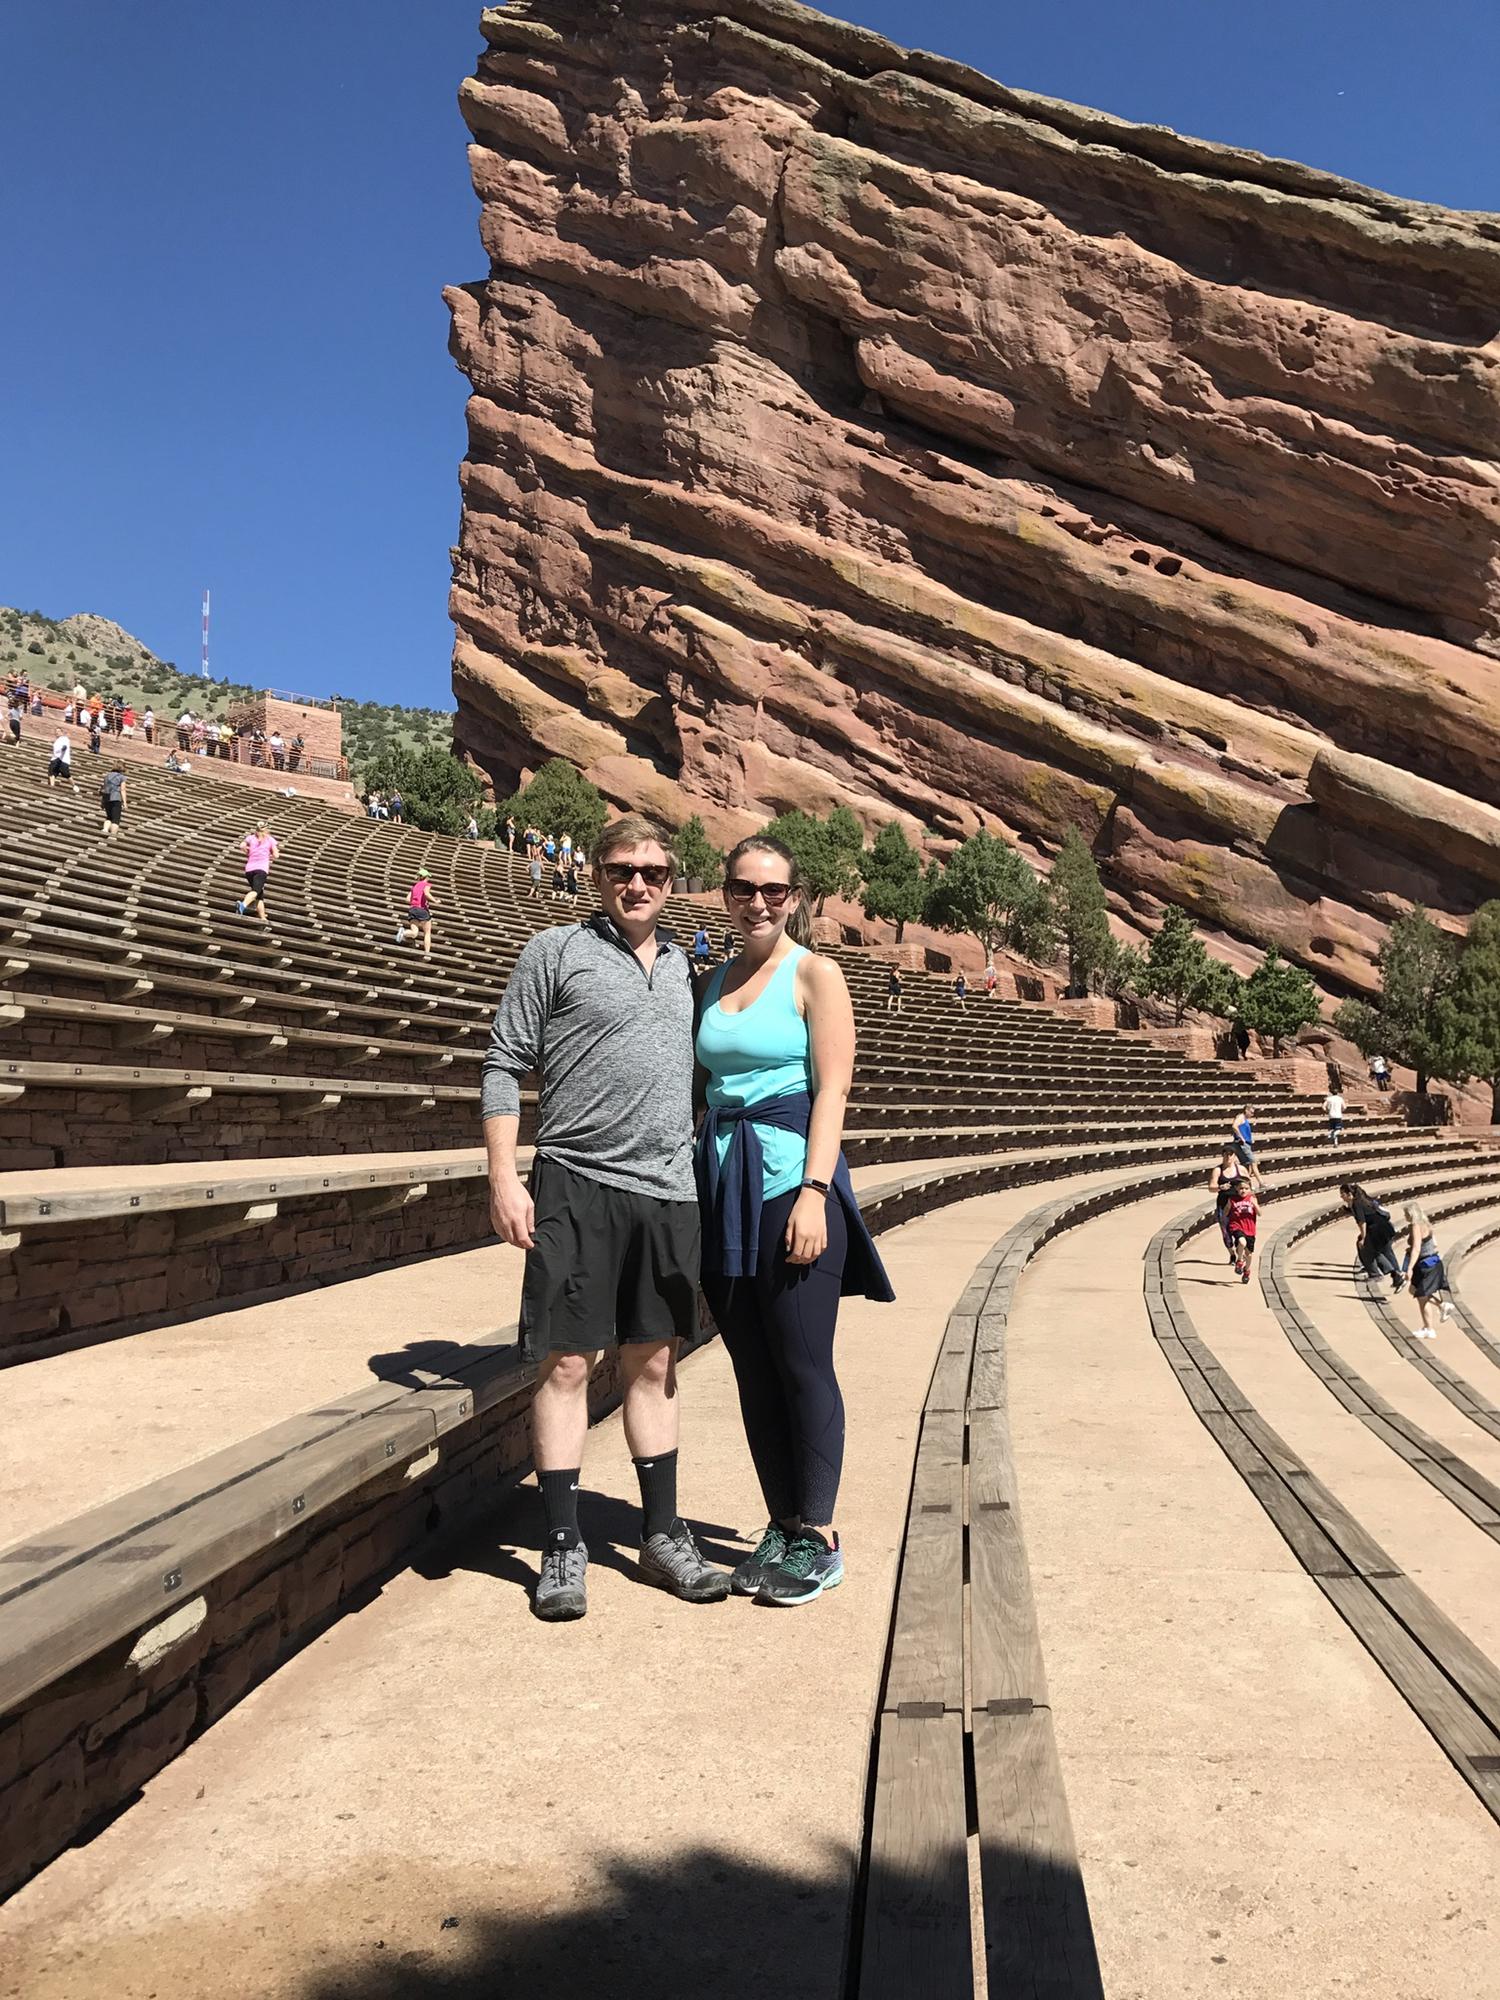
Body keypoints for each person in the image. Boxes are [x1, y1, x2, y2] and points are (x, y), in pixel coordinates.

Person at [482, 812, 728, 1620]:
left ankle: (662, 1533)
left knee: (653, 1365)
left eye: (653, 872)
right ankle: (562, 1542)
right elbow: (503, 1062)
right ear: (596, 875)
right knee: (566, 1364)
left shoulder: (693, 975)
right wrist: (503, 1177)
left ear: (670, 882)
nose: (638, 884)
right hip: (575, 1182)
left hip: (667, 1191)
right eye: (623, 869)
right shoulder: (554, 952)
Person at [696, 834, 894, 1606]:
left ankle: (820, 1535)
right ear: (725, 892)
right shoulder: (712, 981)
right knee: (753, 1368)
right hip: (723, 1187)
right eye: (745, 888)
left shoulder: (816, 973)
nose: (758, 902)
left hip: (789, 1184)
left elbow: (834, 1090)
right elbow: (704, 1088)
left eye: (774, 890)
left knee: (804, 1363)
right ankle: (780, 1524)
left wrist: (815, 1192)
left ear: (794, 897)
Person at [1401, 1205, 1454, 1337]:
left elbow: (1416, 1248)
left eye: (1405, 1213)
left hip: (1425, 1265)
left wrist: (1409, 1268)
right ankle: (1442, 1305)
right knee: (1413, 1290)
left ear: (1411, 1214)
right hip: (1433, 1262)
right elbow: (1434, 1244)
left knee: (1421, 1296)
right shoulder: (1426, 1224)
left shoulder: (1416, 1226)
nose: (1404, 1216)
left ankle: (1429, 1329)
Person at [1340, 1183, 1404, 1292]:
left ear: (1349, 1194)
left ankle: (1378, 1274)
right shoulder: (1359, 1201)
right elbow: (1366, 1214)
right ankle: (1395, 1274)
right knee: (1376, 1251)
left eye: (1343, 1194)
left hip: (1378, 1230)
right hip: (1382, 1227)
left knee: (1367, 1249)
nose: (1341, 1197)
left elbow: (1362, 1222)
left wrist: (1364, 1238)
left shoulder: (1356, 1203)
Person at [237, 823, 279, 923]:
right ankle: (243, 905)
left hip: (249, 869)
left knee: (259, 894)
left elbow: (241, 845)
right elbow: (276, 855)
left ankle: (263, 918)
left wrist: (248, 852)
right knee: (256, 891)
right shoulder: (269, 839)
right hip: (261, 868)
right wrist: (269, 855)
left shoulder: (251, 838)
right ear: (267, 830)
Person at [1208, 1147, 1244, 1261]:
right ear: (1223, 1156)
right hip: (1223, 1204)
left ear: (1234, 1156)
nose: (1228, 1157)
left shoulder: (1241, 1169)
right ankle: (1232, 1253)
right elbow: (1211, 1187)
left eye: (1230, 1154)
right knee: (1226, 1232)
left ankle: (1240, 1255)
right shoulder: (1218, 1170)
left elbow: (1248, 1185)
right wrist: (1220, 1187)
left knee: (1240, 1231)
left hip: (1238, 1204)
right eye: (1226, 1155)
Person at [1224, 1177, 1259, 1285]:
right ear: (1236, 1189)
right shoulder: (1232, 1199)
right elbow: (1226, 1212)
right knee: (1241, 1242)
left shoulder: (1252, 1198)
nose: (1243, 1190)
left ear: (1250, 1189)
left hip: (1250, 1229)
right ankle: (1239, 1260)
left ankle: (1247, 1271)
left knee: (1249, 1254)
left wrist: (1255, 1205)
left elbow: (1260, 1213)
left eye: (1246, 1188)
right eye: (1241, 1188)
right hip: (1237, 1226)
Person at [398, 870, 436, 955]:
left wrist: (415, 902)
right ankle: (427, 952)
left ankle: (403, 933)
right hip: (422, 909)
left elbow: (407, 899)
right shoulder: (427, 885)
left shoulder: (414, 887)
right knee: (427, 933)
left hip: (413, 909)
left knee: (414, 932)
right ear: (426, 877)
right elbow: (426, 893)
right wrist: (435, 901)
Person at [99, 763, 127, 837]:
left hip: (106, 799)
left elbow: (103, 789)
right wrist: (124, 802)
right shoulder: (121, 777)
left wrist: (102, 802)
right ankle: (113, 835)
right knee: (115, 819)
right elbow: (123, 790)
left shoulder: (107, 776)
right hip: (116, 798)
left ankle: (105, 829)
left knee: (109, 817)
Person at [1231, 1104, 1256, 1173]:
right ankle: (1261, 1182)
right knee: (1253, 1162)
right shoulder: (1241, 1117)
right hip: (1243, 1144)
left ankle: (1247, 1180)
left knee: (1247, 1163)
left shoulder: (1244, 1118)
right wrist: (1241, 1137)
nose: (1252, 1114)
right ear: (1246, 1110)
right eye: (1251, 1112)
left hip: (1245, 1143)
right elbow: (1234, 1126)